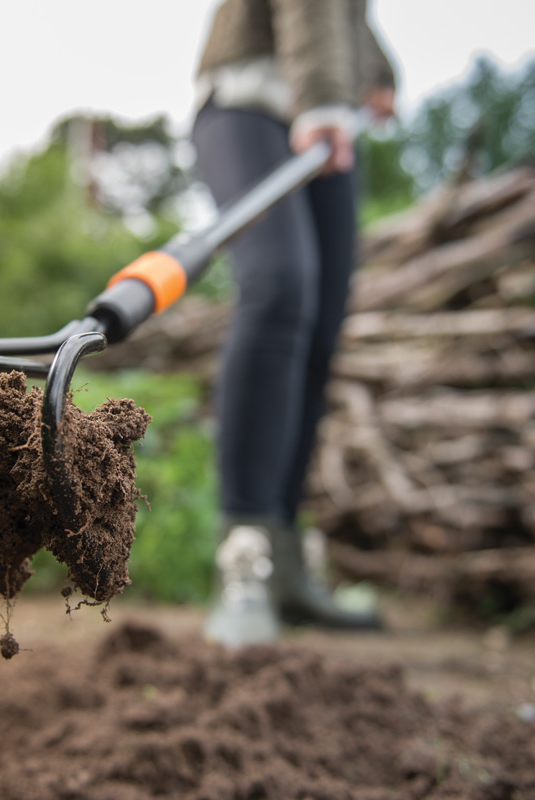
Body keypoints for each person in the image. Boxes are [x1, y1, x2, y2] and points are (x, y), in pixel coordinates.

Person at [191, 0, 396, 646]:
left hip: (326, 107)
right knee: (279, 288)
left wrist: (379, 71)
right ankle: (243, 561)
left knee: (320, 327)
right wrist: (325, 96)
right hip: (251, 105)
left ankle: (283, 565)